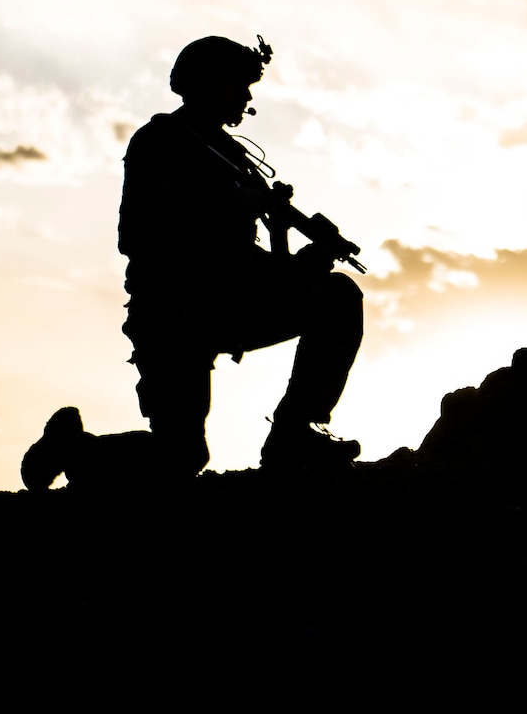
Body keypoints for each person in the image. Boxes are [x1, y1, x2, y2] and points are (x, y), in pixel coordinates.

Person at [112, 34, 364, 476]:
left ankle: (293, 433)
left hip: (230, 300)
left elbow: (266, 266)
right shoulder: (159, 140)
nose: (246, 97)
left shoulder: (235, 157)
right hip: (174, 314)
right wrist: (230, 202)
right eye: (236, 84)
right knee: (181, 456)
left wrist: (309, 256)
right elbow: (133, 234)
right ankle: (74, 450)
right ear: (203, 82)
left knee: (338, 297)